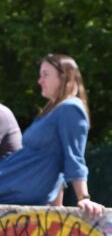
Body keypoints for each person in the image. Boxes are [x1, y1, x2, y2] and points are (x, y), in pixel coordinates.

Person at [0, 53, 104, 216]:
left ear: (65, 77)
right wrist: (57, 206)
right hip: (11, 179)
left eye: (45, 75)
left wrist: (83, 197)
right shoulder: (53, 111)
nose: (40, 81)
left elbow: (73, 156)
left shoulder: (71, 109)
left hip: (17, 185)